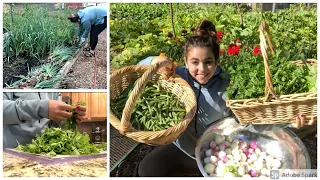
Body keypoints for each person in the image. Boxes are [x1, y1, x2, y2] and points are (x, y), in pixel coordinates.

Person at [135, 19, 315, 176]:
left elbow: (249, 120)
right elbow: (139, 69)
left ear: (216, 61)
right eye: (195, 62)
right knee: (146, 170)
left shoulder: (227, 85)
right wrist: (154, 61)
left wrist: (289, 123)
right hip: (181, 148)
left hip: (215, 152)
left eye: (208, 62)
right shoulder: (175, 76)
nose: (202, 69)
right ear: (185, 60)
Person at [3, 92, 86, 148]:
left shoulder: (55, 91)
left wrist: (69, 118)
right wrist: (41, 108)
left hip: (44, 151)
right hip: (11, 152)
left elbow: (55, 122)